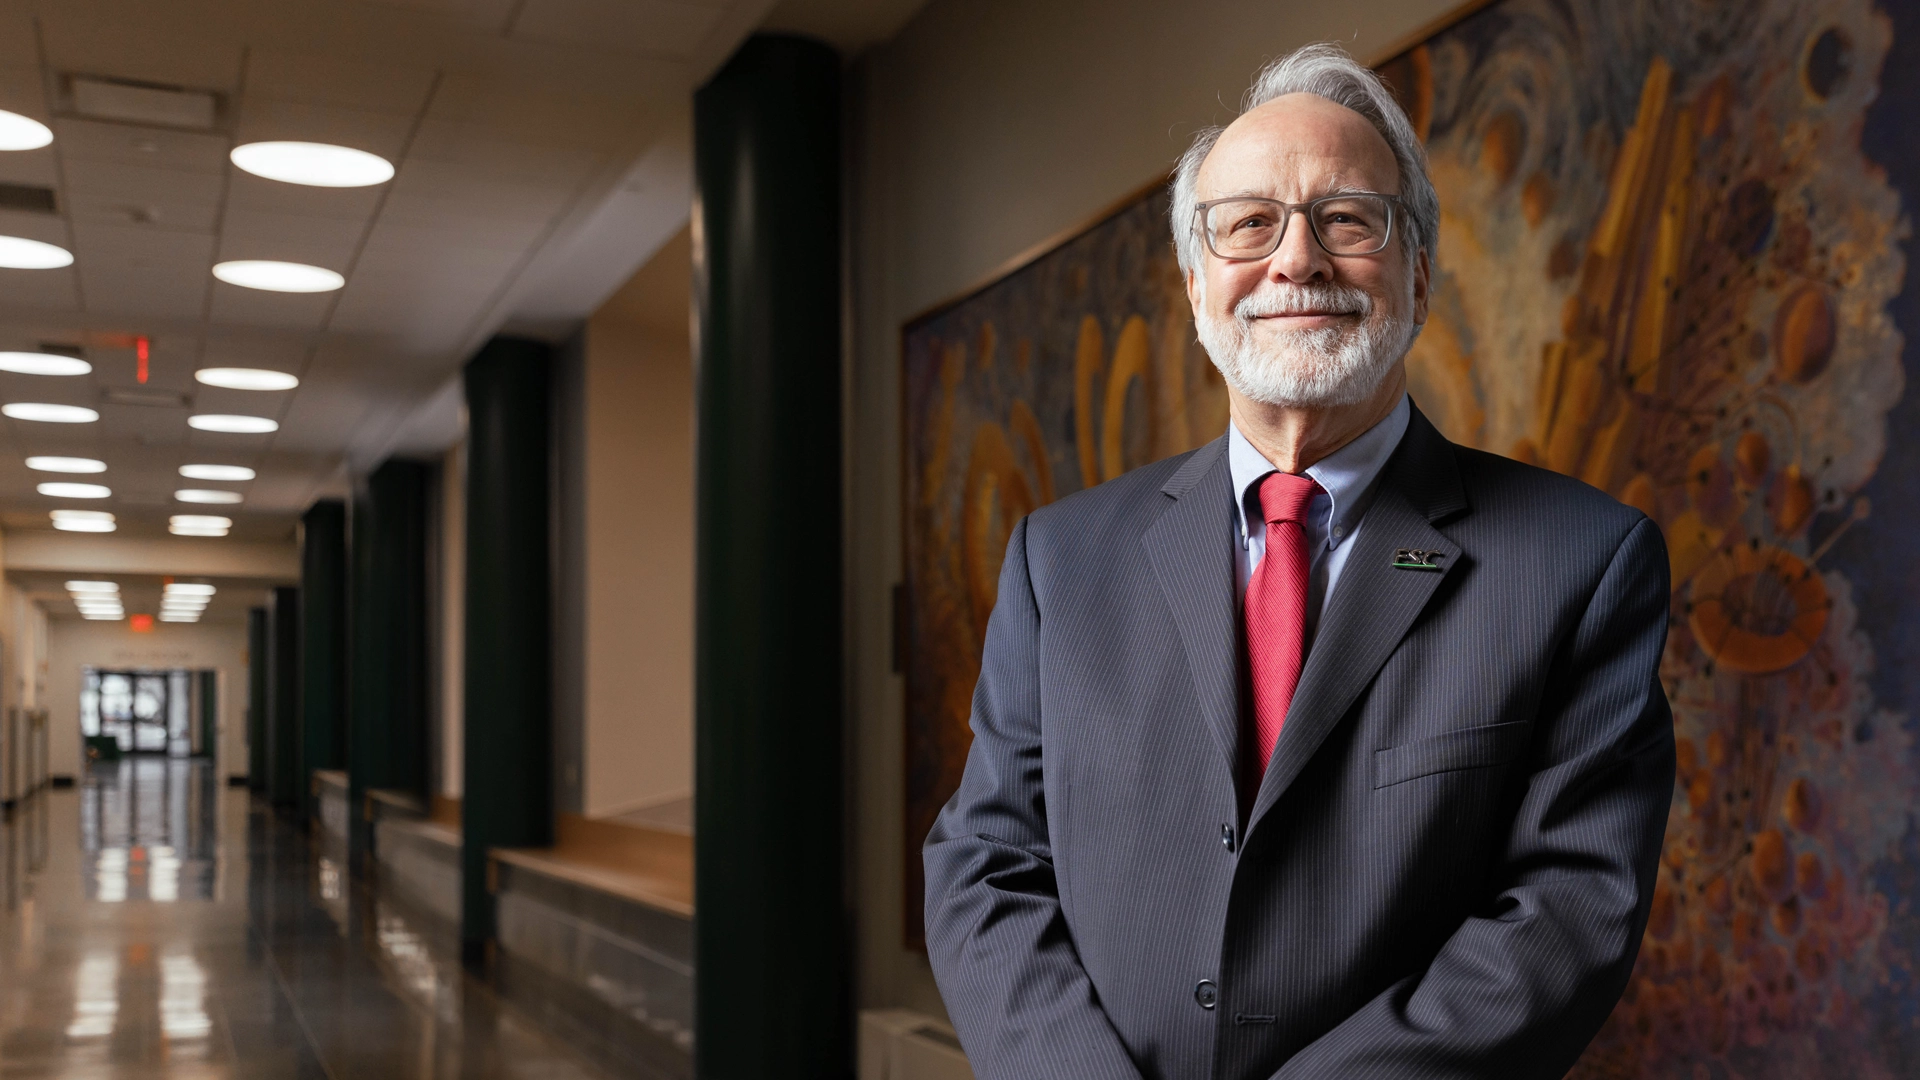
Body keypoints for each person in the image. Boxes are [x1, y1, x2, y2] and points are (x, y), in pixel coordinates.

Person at [923, 42, 1675, 1080]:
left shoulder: (1583, 561)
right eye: (1248, 225)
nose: (1297, 261)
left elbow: (1565, 913)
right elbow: (985, 864)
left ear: (1417, 269)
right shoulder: (1060, 559)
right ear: (1196, 285)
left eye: (1347, 219)